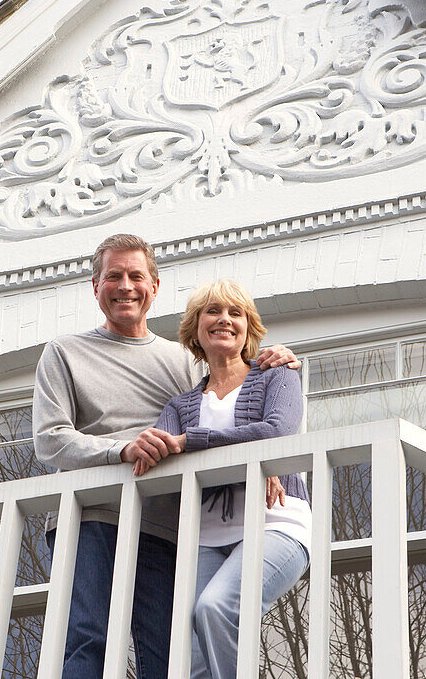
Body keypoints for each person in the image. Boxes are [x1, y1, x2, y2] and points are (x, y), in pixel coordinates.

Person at [32, 235, 297, 679]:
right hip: (92, 514)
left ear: (154, 287)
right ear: (95, 286)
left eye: (136, 276)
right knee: (89, 636)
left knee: (167, 651)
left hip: (171, 524)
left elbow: (227, 412)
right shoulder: (65, 352)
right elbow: (50, 439)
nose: (125, 286)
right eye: (113, 276)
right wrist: (121, 449)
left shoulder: (184, 361)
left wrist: (267, 455)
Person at [145, 279, 311, 679]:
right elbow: (164, 458)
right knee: (193, 651)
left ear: (249, 328)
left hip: (276, 522)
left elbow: (276, 433)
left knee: (215, 607)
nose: (224, 320)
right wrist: (247, 465)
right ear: (195, 329)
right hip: (206, 534)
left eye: (235, 313)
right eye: (213, 311)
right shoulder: (180, 405)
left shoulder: (277, 376)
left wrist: (193, 442)